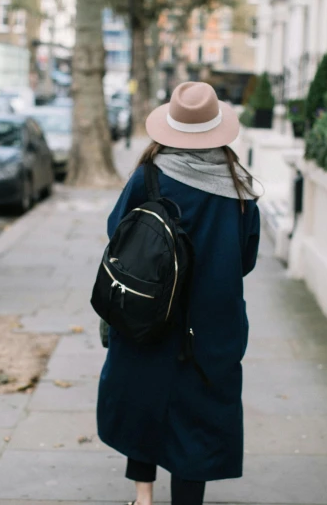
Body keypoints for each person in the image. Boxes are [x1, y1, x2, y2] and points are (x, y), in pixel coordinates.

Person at [97, 81, 261, 505]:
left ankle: (143, 498)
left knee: (141, 401)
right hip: (210, 324)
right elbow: (246, 259)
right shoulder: (239, 189)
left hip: (148, 314)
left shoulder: (149, 175)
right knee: (197, 422)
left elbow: (118, 232)